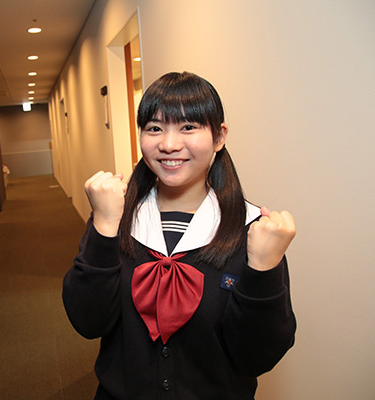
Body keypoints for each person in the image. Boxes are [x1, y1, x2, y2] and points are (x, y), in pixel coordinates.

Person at [62, 71, 296, 399]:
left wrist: (264, 271)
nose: (169, 145)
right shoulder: (115, 215)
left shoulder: (254, 230)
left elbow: (257, 357)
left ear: (219, 136)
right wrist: (102, 226)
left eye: (188, 127)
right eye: (154, 128)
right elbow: (88, 321)